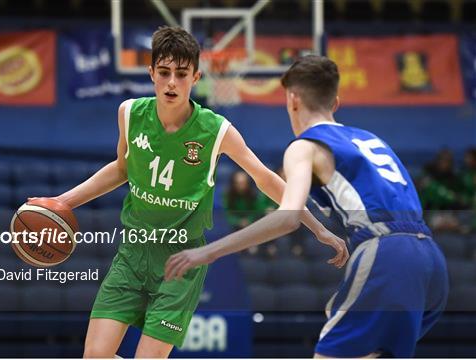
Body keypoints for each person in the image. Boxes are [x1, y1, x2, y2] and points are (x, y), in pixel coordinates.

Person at [46, 28, 346, 358]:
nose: (172, 82)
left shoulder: (216, 130)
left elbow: (266, 179)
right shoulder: (130, 114)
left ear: (196, 76)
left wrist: (318, 227)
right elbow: (121, 169)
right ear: (151, 74)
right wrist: (62, 202)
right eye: (164, 73)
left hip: (180, 264)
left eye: (181, 74)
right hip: (132, 256)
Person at [165, 55, 449, 358]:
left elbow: (286, 219)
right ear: (335, 102)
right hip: (430, 259)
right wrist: (322, 230)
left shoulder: (304, 146)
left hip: (387, 254)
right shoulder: (371, 139)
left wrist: (207, 252)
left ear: (293, 99)